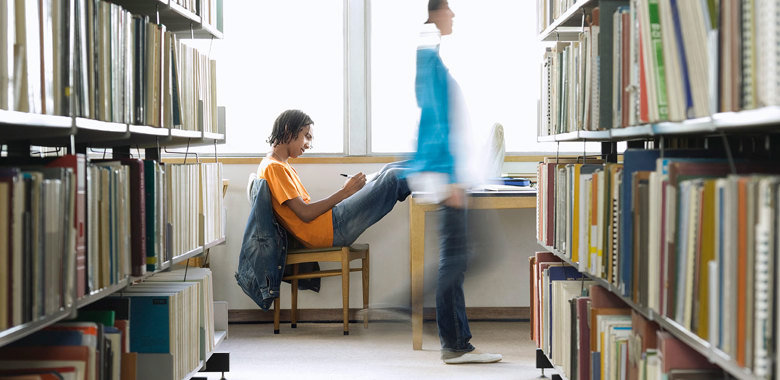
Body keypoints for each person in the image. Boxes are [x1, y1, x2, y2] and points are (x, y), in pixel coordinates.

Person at [406, 0, 503, 364]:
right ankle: (450, 339)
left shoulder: (431, 54)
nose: (454, 15)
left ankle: (456, 341)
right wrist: (450, 178)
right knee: (460, 258)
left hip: (451, 175)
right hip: (447, 177)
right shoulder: (429, 54)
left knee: (460, 258)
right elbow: (435, 119)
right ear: (436, 11)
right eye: (449, 7)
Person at [257, 109, 410, 249]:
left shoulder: (278, 165)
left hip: (329, 223)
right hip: (329, 230)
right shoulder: (274, 167)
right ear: (288, 129)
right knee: (392, 177)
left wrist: (347, 191)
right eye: (307, 136)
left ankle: (423, 163)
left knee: (387, 170)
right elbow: (305, 213)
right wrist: (345, 192)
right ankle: (426, 173)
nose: (309, 145)